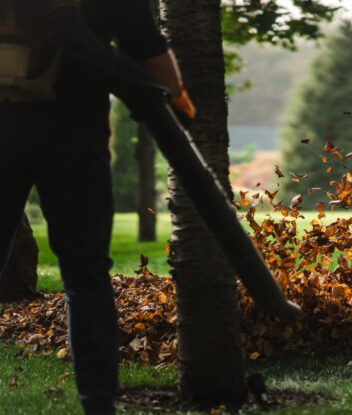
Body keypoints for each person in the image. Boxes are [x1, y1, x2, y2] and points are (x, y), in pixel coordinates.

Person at [0, 1, 192, 413]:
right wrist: (177, 99)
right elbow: (146, 47)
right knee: (86, 277)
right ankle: (98, 405)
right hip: (74, 140)